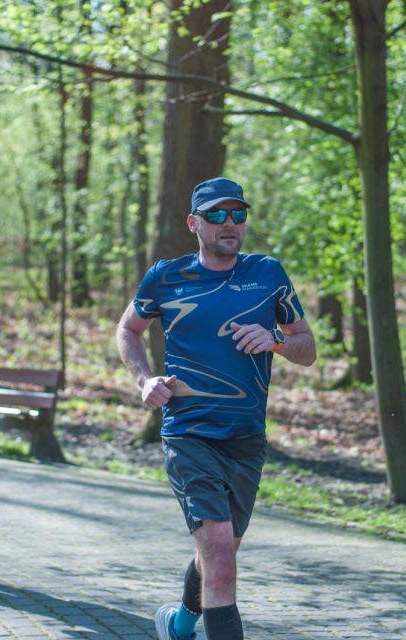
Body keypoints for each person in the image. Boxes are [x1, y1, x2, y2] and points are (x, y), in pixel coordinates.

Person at [116, 177, 316, 640]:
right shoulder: (166, 277)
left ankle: (180, 622)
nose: (229, 224)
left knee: (221, 551)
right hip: (189, 432)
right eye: (217, 215)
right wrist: (144, 380)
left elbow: (307, 348)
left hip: (245, 439)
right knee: (221, 555)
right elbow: (128, 330)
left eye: (238, 214)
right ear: (194, 223)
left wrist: (277, 339)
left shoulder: (268, 274)